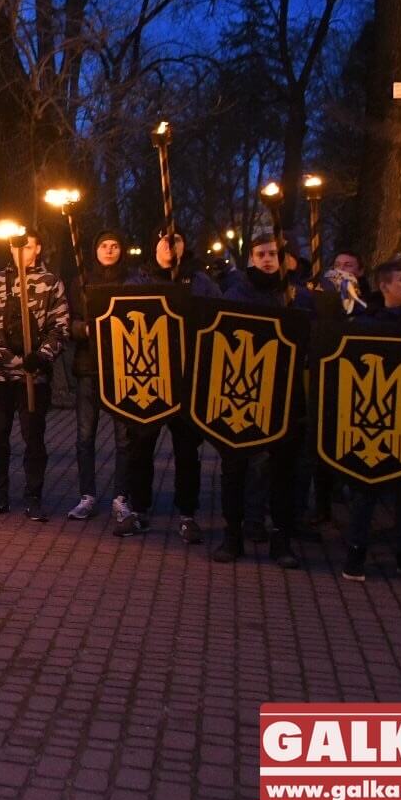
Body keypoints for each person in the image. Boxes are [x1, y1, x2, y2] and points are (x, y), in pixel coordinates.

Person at [211, 232, 310, 567]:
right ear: (251, 258)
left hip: (285, 394)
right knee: (235, 468)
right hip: (243, 391)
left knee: (282, 469)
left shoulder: (299, 295)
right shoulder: (237, 294)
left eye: (274, 254)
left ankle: (281, 540)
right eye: (261, 254)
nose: (268, 259)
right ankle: (232, 535)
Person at [113, 231, 218, 541]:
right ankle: (140, 509)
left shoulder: (200, 282)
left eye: (177, 240)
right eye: (164, 240)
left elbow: (216, 318)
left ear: (185, 246)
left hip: (187, 378)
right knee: (140, 448)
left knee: (187, 450)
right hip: (148, 377)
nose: (170, 246)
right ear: (155, 244)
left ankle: (188, 513)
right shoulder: (139, 281)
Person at [342, 257, 401, 582]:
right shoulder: (366, 324)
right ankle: (355, 552)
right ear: (384, 286)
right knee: (365, 489)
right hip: (372, 416)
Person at [0, 231, 69, 520]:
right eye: (17, 246)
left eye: (28, 246)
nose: (21, 251)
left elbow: (60, 326)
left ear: (38, 249)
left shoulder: (50, 283)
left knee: (33, 436)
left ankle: (33, 496)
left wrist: (41, 356)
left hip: (33, 376)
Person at [63, 230, 133, 522]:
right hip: (89, 366)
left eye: (115, 245)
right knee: (84, 435)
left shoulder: (130, 282)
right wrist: (85, 330)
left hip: (122, 368)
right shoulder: (81, 282)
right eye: (103, 245)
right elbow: (69, 322)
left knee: (124, 437)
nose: (109, 250)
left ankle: (121, 496)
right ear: (94, 250)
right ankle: (87, 495)